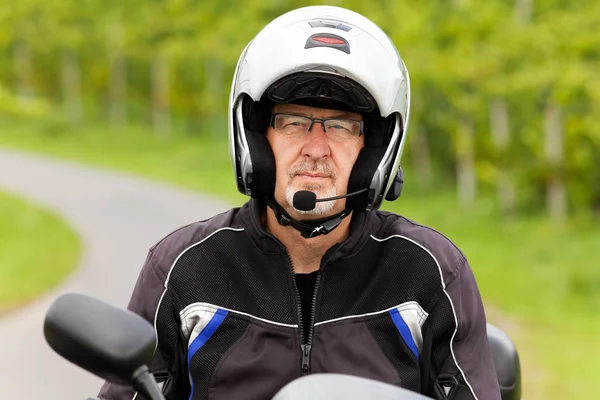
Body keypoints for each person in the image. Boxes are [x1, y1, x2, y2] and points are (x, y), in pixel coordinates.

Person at [99, 5, 500, 400]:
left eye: (341, 126)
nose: (316, 148)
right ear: (258, 140)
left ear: (372, 151)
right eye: (294, 122)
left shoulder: (429, 273)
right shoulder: (184, 268)